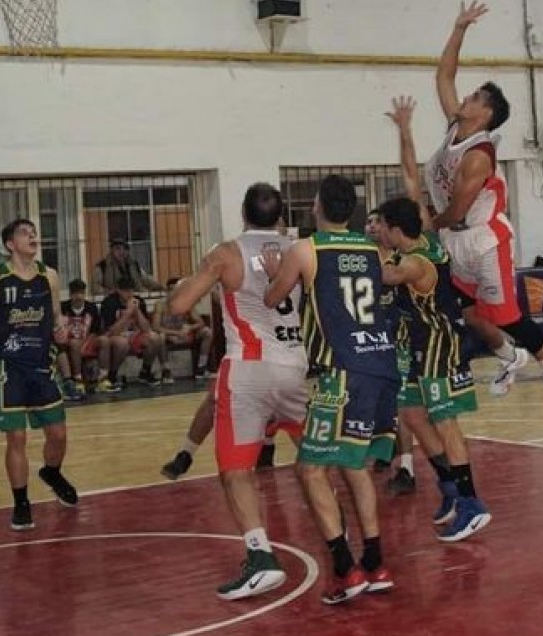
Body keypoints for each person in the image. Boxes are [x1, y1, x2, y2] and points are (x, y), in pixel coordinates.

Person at [392, 7, 543, 419]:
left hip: (483, 238)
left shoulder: (478, 156)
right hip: (455, 237)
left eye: (474, 98)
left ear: (485, 113)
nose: (465, 98)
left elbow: (457, 208)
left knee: (507, 315)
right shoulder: (455, 129)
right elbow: (444, 76)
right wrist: (458, 28)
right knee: (463, 310)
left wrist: (426, 224)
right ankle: (511, 357)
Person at [165, 183, 309, 600]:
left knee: (235, 470)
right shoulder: (299, 249)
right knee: (318, 459)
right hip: (295, 365)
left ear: (243, 214)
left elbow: (178, 307)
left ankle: (261, 557)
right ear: (281, 216)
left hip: (248, 369)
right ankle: (343, 541)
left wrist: (190, 281)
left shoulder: (227, 252)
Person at [264, 175, 399, 604]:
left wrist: (275, 272)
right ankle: (375, 562)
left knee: (311, 469)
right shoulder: (371, 250)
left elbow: (273, 299)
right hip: (380, 364)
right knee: (354, 463)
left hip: (340, 371)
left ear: (317, 206)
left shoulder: (305, 249)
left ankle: (345, 569)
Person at [381, 197, 491, 541]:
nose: (378, 230)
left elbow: (387, 275)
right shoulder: (424, 239)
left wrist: (342, 253)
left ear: (396, 231)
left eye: (382, 225)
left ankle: (472, 503)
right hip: (414, 347)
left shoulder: (415, 262)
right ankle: (451, 489)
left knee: (446, 423)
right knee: (411, 414)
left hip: (437, 348)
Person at [0, 219, 77, 531]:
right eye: (24, 232)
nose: (32, 235)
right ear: (10, 244)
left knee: (58, 433)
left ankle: (52, 473)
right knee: (16, 437)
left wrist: (61, 328)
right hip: (8, 365)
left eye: (34, 231)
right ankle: (21, 503)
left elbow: (57, 316)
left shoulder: (49, 276)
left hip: (42, 362)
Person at [365, 207, 413, 491]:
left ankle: (406, 467)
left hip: (398, 339)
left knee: (401, 404)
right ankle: (385, 448)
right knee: (373, 400)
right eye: (368, 222)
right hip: (369, 341)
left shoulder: (401, 261)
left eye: (377, 222)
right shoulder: (362, 259)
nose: (371, 227)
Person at [99, 277, 167, 386]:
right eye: (125, 291)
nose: (129, 294)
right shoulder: (109, 303)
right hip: (116, 336)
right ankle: (113, 374)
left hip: (134, 335)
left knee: (154, 338)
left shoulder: (138, 301)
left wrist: (137, 311)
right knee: (122, 343)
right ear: (118, 290)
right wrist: (127, 313)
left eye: (131, 290)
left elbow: (146, 328)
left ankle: (145, 372)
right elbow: (111, 331)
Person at [58, 278, 116, 399]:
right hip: (69, 341)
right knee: (74, 343)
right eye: (75, 293)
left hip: (87, 340)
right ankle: (78, 379)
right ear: (70, 294)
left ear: (85, 293)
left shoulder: (92, 307)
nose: (78, 296)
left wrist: (86, 342)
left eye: (81, 293)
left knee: (104, 340)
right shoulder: (62, 307)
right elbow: (60, 329)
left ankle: (102, 379)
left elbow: (96, 331)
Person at [153, 277, 213, 377]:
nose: (174, 292)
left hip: (184, 334)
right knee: (160, 337)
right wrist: (175, 333)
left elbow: (200, 322)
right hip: (168, 335)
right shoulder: (160, 304)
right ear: (167, 291)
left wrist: (190, 327)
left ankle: (201, 367)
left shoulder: (186, 303)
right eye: (171, 289)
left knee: (207, 332)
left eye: (176, 290)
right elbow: (155, 326)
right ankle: (166, 370)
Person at [91, 238, 164, 295]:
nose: (121, 252)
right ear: (111, 250)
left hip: (133, 297)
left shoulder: (133, 265)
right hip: (112, 301)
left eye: (124, 249)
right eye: (117, 248)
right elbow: (95, 288)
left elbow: (145, 279)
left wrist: (160, 287)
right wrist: (110, 292)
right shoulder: (102, 266)